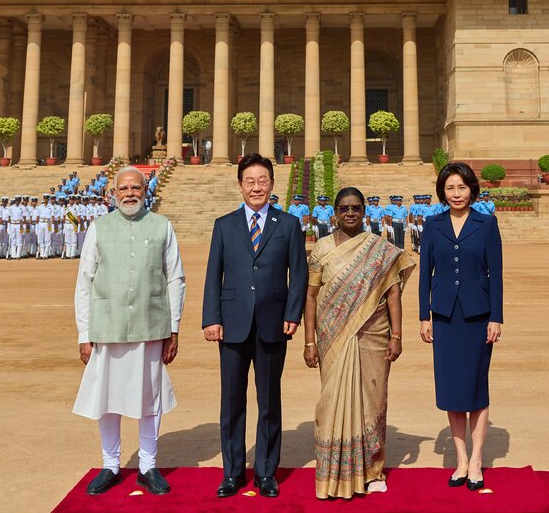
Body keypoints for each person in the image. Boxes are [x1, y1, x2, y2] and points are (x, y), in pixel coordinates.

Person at [202, 153, 308, 500]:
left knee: (268, 401)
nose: (257, 187)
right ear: (240, 185)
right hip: (232, 324)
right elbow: (213, 276)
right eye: (250, 181)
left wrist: (293, 314)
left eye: (263, 181)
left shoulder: (289, 224)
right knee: (231, 402)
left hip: (273, 323)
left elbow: (299, 274)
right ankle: (232, 473)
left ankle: (265, 472)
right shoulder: (225, 224)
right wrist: (211, 318)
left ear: (272, 184)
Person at [74, 167, 184, 497]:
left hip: (151, 326)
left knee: (148, 398)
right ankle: (110, 463)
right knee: (107, 398)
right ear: (114, 192)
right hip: (106, 326)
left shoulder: (162, 226)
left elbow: (174, 279)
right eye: (124, 188)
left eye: (136, 187)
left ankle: (148, 465)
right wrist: (83, 332)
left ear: (146, 190)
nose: (130, 193)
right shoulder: (98, 227)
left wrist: (173, 328)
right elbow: (85, 282)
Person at [304, 186, 415, 499]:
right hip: (332, 337)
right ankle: (334, 472)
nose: (350, 213)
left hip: (373, 336)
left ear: (364, 211)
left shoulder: (379, 248)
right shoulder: (321, 248)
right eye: (344, 208)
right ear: (335, 213)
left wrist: (397, 335)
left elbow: (393, 292)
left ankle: (372, 470)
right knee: (331, 402)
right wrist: (309, 340)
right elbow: (310, 295)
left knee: (372, 401)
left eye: (355, 208)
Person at [419, 161, 503, 493]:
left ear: (472, 190)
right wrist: (424, 315)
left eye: (462, 187)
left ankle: (479, 461)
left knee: (476, 389)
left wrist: (496, 316)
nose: (456, 194)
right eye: (450, 188)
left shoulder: (486, 224)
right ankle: (462, 459)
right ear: (443, 191)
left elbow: (494, 273)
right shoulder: (432, 224)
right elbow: (426, 271)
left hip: (478, 317)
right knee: (453, 390)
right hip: (443, 317)